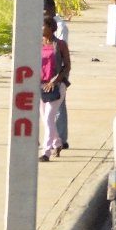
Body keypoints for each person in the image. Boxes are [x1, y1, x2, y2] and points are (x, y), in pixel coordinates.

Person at [39, 16, 71, 161]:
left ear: (51, 28)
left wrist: (55, 81)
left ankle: (46, 151)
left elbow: (67, 66)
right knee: (45, 119)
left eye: (43, 26)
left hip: (57, 86)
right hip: (41, 85)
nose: (41, 29)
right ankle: (57, 143)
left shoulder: (60, 44)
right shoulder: (38, 44)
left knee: (49, 117)